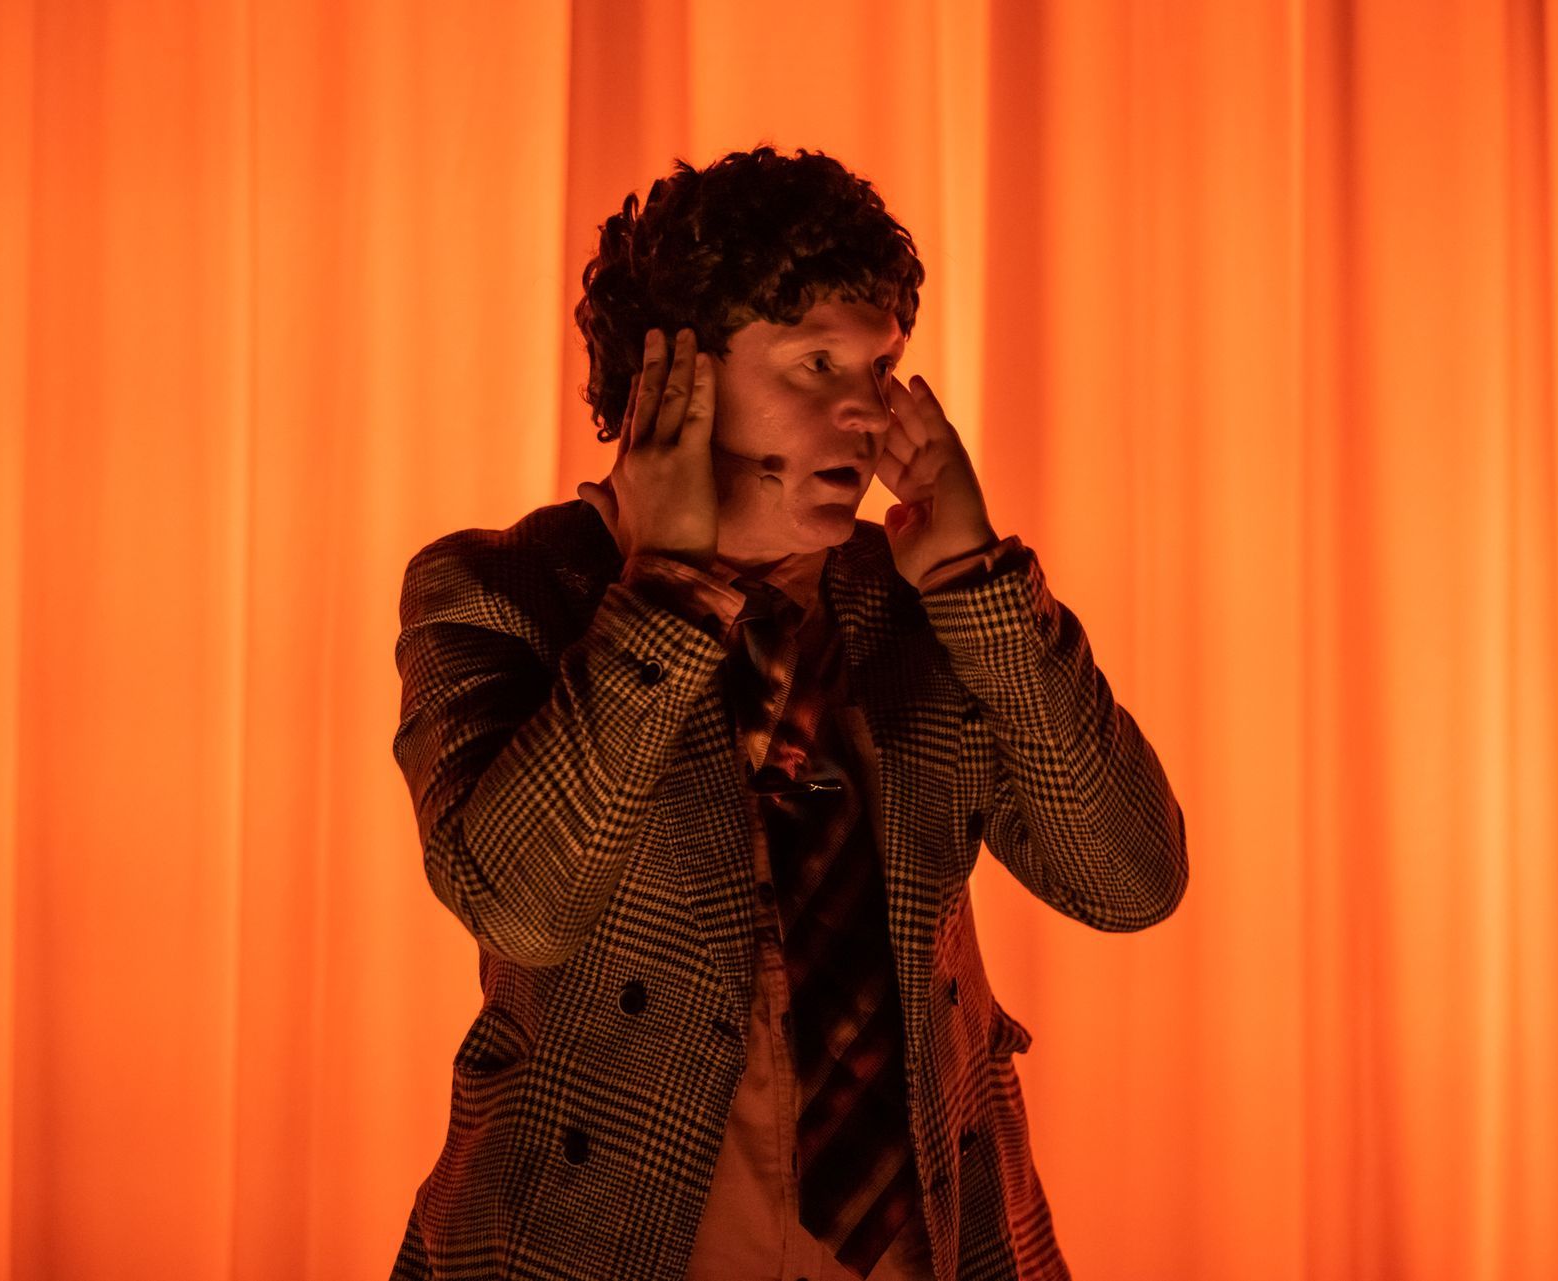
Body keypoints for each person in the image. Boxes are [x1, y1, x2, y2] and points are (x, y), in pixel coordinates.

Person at [388, 144, 1188, 1281]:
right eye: (815, 364)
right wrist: (663, 592)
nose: (865, 414)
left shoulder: (921, 603)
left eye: (883, 366)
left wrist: (979, 588)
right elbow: (519, 906)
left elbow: (1130, 881)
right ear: (674, 377)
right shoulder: (498, 590)